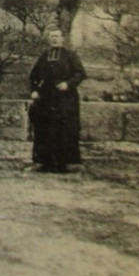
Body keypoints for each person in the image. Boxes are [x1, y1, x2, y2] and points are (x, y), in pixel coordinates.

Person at [28, 27, 86, 173]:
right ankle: (41, 162)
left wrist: (68, 84)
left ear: (62, 38)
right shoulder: (44, 56)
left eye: (57, 36)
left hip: (66, 100)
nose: (54, 39)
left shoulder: (70, 55)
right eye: (52, 36)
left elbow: (80, 73)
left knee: (66, 129)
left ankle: (69, 163)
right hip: (46, 99)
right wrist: (34, 91)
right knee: (43, 130)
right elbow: (33, 76)